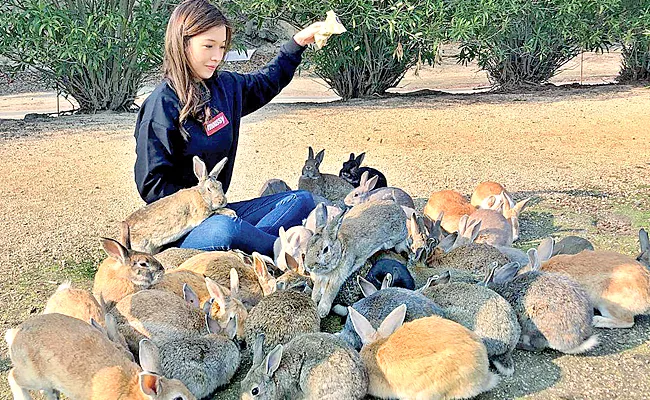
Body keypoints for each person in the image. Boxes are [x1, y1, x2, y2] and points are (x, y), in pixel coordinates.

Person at [133, 0, 323, 257]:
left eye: (222, 47)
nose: (217, 56)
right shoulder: (161, 105)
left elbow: (266, 82)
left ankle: (251, 245)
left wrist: (298, 43)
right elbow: (152, 186)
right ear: (183, 43)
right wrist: (198, 205)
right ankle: (278, 250)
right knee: (227, 230)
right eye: (208, 46)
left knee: (301, 200)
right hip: (183, 229)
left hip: (220, 210)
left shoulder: (226, 86)